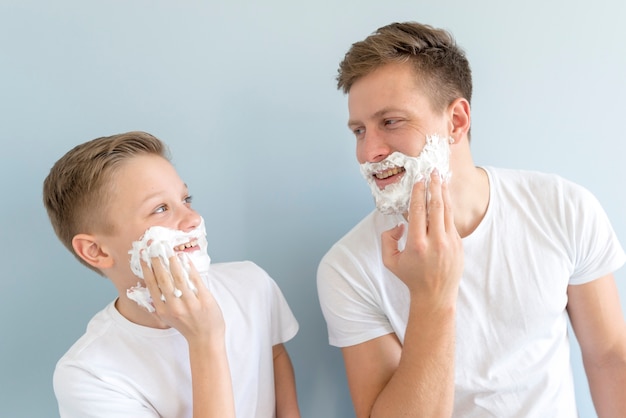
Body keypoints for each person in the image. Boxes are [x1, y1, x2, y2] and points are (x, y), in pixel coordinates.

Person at [317, 21, 626, 417]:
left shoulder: (563, 208)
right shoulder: (348, 268)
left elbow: (609, 358)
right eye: (359, 130)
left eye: (390, 122)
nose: (369, 151)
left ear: (457, 122)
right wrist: (432, 297)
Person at [43, 131, 301, 418]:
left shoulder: (251, 285)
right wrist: (205, 341)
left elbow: (273, 356)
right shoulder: (90, 376)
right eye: (160, 209)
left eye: (186, 199)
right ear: (96, 251)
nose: (193, 219)